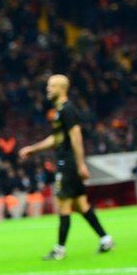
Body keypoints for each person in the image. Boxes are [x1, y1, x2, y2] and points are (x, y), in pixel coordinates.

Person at [18, 74, 114, 260]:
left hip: (68, 164)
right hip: (69, 162)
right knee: (81, 205)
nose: (48, 89)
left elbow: (76, 135)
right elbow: (57, 139)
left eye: (51, 86)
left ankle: (59, 249)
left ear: (62, 88)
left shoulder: (68, 110)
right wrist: (33, 149)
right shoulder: (60, 111)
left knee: (62, 205)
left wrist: (80, 164)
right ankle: (106, 239)